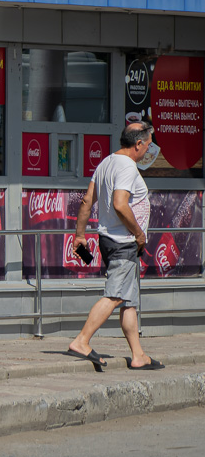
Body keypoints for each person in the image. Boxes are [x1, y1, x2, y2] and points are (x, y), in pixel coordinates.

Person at [68, 122, 163, 371]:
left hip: (111, 240)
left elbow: (87, 200)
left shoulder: (106, 163)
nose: (150, 149)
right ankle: (81, 340)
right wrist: (139, 234)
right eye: (149, 143)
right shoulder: (126, 167)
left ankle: (138, 355)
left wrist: (80, 236)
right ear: (138, 144)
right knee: (115, 295)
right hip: (123, 242)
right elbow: (120, 204)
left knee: (128, 300)